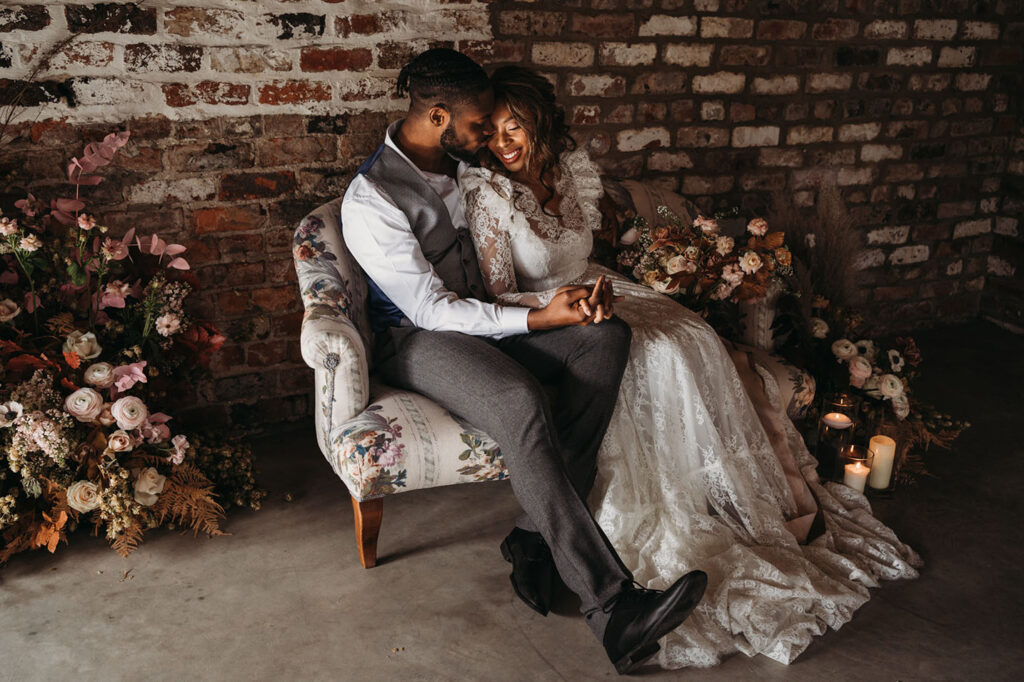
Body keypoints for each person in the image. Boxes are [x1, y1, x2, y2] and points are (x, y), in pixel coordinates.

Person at [460, 65, 923, 669]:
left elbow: (582, 256)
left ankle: (725, 498)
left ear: (540, 124)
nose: (503, 144)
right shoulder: (487, 191)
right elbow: (497, 291)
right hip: (539, 307)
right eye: (492, 133)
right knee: (656, 349)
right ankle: (625, 532)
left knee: (692, 333)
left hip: (599, 285)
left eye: (514, 127)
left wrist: (601, 289)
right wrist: (563, 307)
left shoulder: (570, 173)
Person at [340, 48, 706, 675]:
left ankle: (534, 534)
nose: (489, 137)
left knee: (607, 338)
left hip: (487, 313)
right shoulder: (370, 200)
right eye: (480, 125)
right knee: (516, 400)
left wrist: (561, 303)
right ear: (436, 115)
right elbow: (431, 310)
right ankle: (612, 607)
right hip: (417, 340)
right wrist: (539, 319)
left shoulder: (461, 163)